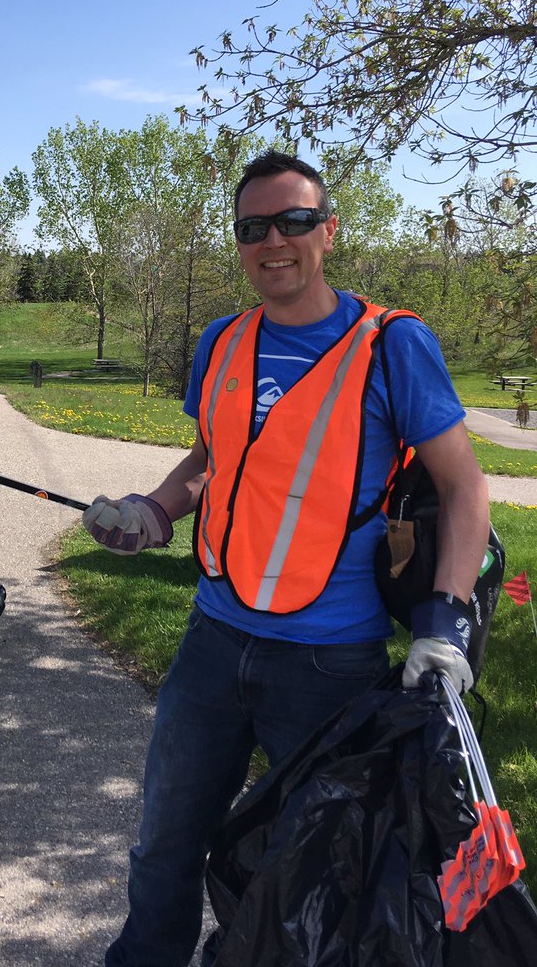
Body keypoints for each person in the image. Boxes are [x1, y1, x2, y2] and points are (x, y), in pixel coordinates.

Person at [83, 150, 490, 967]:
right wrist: (153, 509)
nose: (275, 239)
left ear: (328, 232)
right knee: (163, 843)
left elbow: (466, 489)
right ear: (238, 242)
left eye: (295, 221)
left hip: (331, 665)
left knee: (309, 867)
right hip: (212, 643)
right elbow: (212, 458)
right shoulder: (221, 342)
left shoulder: (391, 344)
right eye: (253, 227)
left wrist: (445, 622)